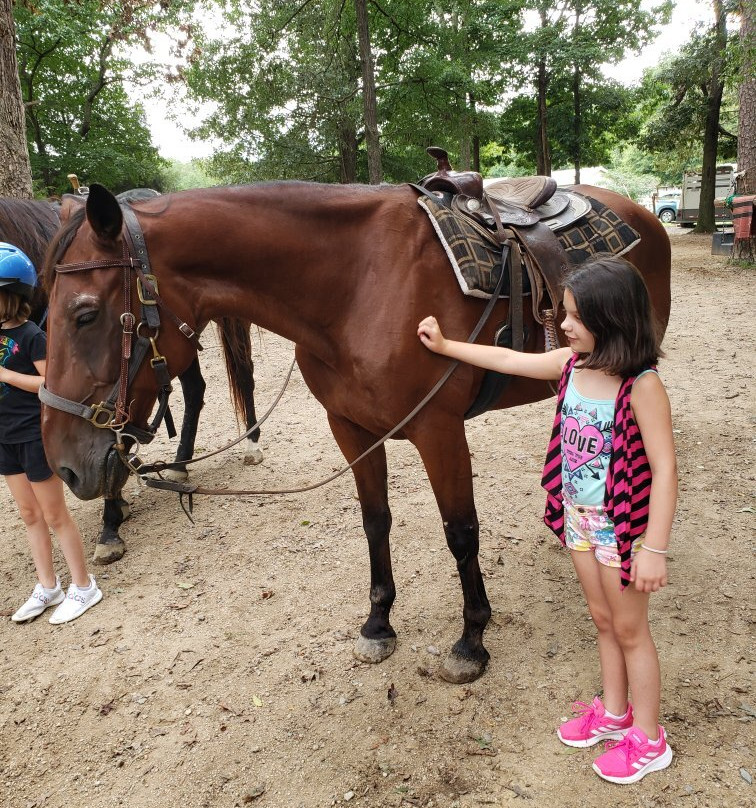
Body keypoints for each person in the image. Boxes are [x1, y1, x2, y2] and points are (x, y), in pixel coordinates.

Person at [418, 256, 677, 784]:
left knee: (631, 629)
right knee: (602, 620)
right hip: (579, 518)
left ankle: (650, 739)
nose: (564, 324)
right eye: (566, 313)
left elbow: (666, 467)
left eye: (576, 316)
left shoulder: (642, 385)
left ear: (613, 319)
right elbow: (506, 361)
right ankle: (614, 713)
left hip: (623, 528)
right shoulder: (569, 366)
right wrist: (446, 347)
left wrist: (654, 546)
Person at [0, 242, 102, 624]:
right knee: (28, 514)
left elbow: (49, 381)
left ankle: (84, 585)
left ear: (10, 295)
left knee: (55, 514)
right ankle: (48, 586)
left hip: (30, 434)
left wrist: (9, 375)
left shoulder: (31, 336)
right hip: (4, 436)